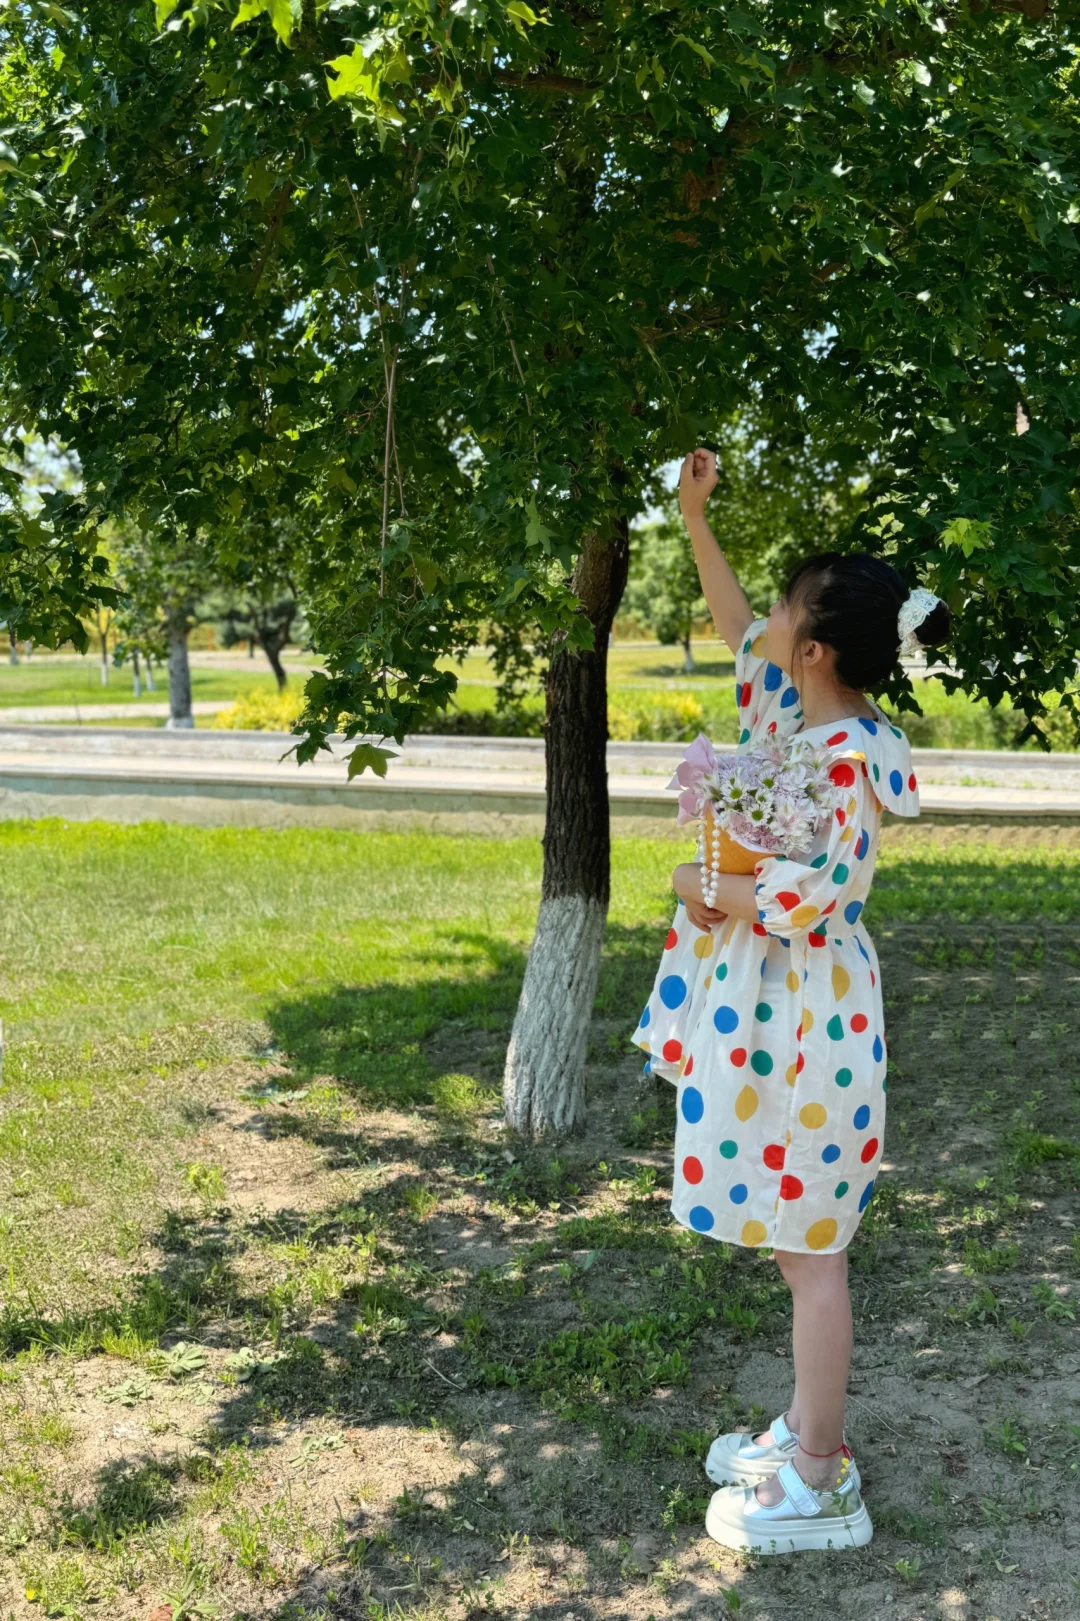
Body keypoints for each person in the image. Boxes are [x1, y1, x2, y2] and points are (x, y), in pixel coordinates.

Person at [629, 446, 952, 1555]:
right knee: (790, 1234)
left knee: (813, 1248)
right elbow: (734, 626)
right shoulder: (797, 716)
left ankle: (821, 1475)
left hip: (807, 1018)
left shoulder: (843, 758)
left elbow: (799, 898)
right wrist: (693, 518)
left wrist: (691, 883)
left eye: (781, 612)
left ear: (812, 651)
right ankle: (814, 1437)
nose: (757, 621)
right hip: (774, 1016)